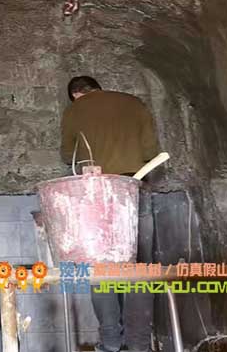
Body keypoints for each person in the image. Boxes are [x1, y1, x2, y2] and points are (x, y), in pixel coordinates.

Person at [60, 76, 160, 352]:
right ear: (97, 88)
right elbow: (151, 151)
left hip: (98, 195)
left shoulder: (74, 110)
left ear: (75, 94)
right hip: (135, 188)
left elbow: (67, 153)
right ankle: (140, 344)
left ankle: (111, 343)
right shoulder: (135, 104)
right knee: (140, 268)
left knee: (100, 267)